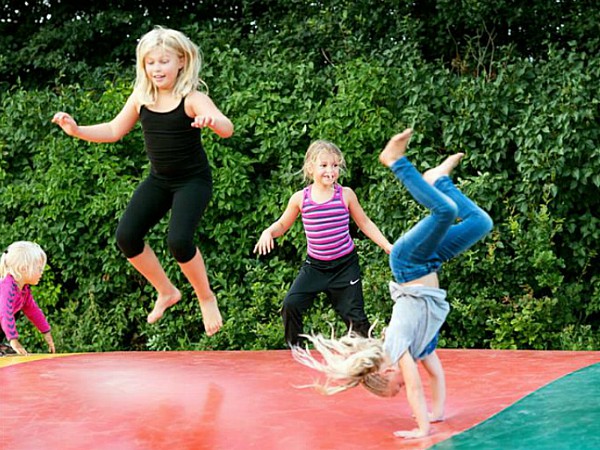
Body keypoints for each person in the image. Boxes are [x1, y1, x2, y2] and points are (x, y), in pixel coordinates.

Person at [292, 128, 493, 439]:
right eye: (401, 387)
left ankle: (395, 161)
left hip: (408, 262)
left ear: (386, 371)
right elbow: (435, 377)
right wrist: (437, 414)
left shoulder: (398, 344)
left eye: (396, 384)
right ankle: (439, 181)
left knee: (444, 212)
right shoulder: (420, 346)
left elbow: (414, 384)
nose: (406, 384)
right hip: (429, 262)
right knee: (480, 223)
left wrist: (422, 428)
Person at [52, 26, 234, 336]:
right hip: (160, 180)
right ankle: (167, 291)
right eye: (150, 62)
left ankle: (206, 297)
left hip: (192, 181)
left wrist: (211, 121)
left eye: (163, 61)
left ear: (181, 61)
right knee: (127, 236)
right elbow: (113, 131)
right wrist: (77, 130)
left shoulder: (191, 98)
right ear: (143, 65)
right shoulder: (141, 97)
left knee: (178, 241)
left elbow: (227, 128)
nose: (157, 69)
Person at [254, 139, 392, 346]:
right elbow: (282, 225)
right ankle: (296, 351)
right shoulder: (301, 198)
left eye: (335, 165)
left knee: (356, 318)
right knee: (291, 304)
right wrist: (268, 232)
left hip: (345, 266)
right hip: (315, 267)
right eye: (324, 165)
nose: (331, 170)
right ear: (310, 168)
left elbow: (364, 223)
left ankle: (370, 357)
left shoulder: (345, 195)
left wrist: (386, 245)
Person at [0, 241, 56, 356]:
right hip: (2, 315)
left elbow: (33, 311)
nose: (41, 273)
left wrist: (46, 332)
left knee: (16, 312)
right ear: (24, 268)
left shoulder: (23, 290)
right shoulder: (7, 288)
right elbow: (5, 314)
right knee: (7, 313)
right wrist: (14, 341)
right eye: (39, 269)